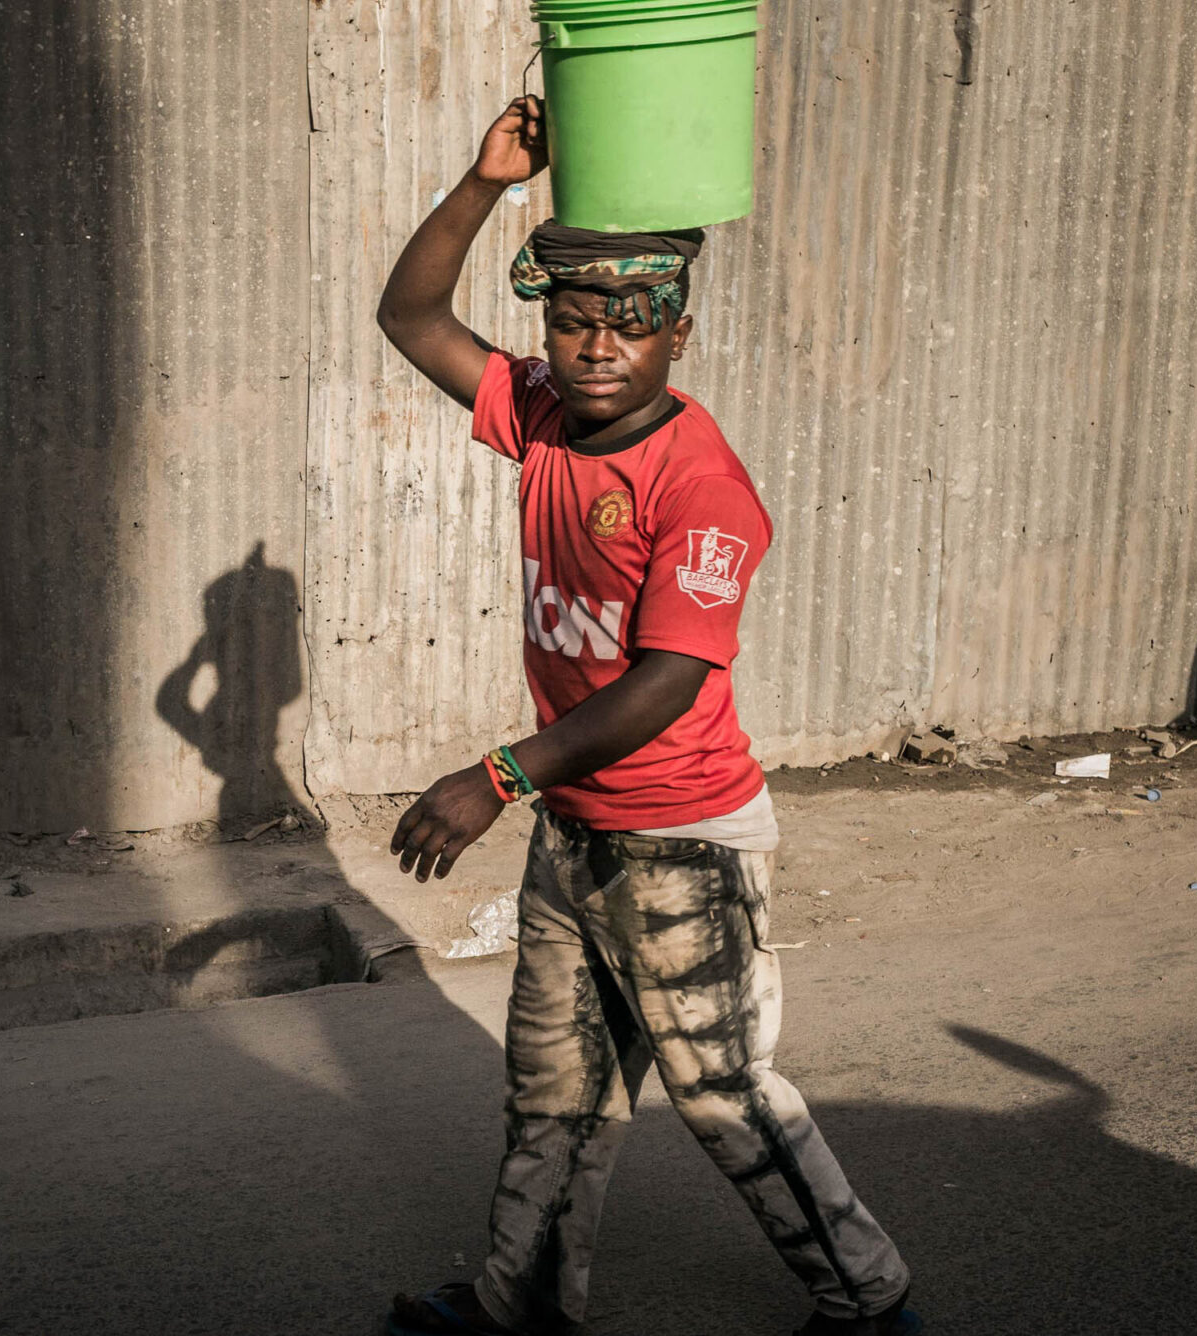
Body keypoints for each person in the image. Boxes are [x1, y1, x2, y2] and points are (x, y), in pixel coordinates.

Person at [374, 97, 920, 1336]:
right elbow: (408, 316)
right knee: (552, 1092)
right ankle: (521, 1303)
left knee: (721, 1089)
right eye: (571, 320)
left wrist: (494, 776)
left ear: (679, 331)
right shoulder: (539, 417)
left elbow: (666, 679)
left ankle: (869, 1302)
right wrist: (482, 183)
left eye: (628, 323)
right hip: (575, 828)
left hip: (683, 837)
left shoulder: (701, 483)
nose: (596, 345)